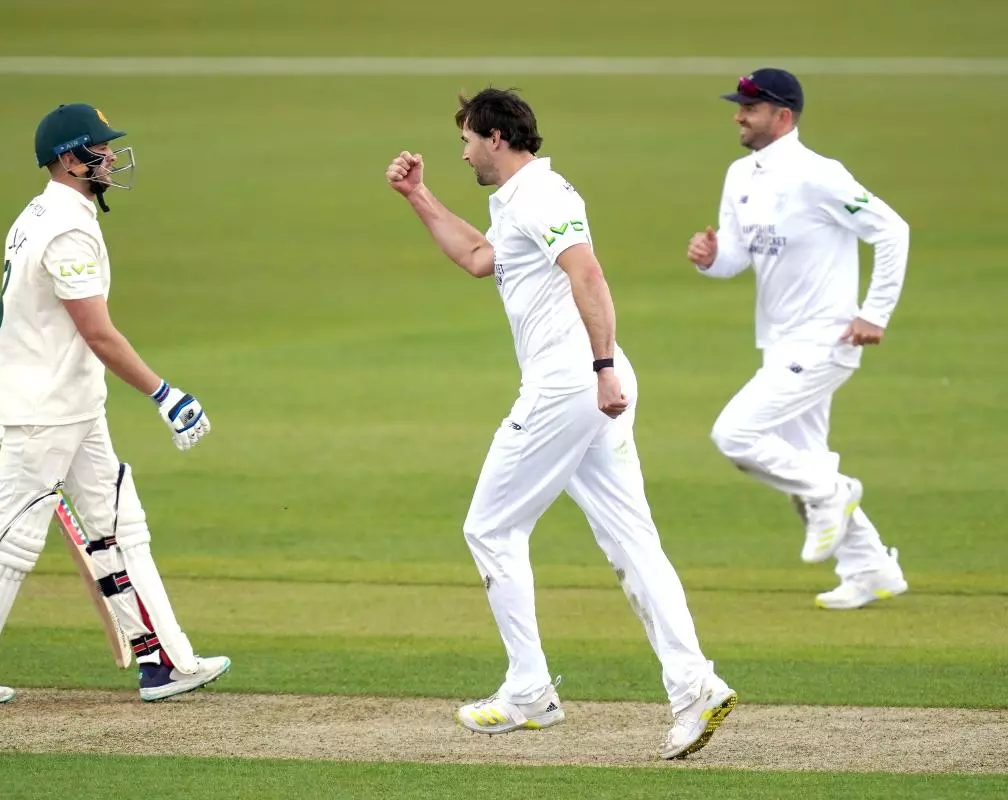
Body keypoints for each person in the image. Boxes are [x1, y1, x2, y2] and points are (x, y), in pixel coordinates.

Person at [385, 88, 736, 759]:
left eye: (466, 140)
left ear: (495, 137)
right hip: (589, 381)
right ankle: (696, 685)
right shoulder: (520, 201)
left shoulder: (542, 198)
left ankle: (529, 691)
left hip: (571, 382)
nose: (462, 152)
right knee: (631, 539)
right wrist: (418, 197)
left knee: (489, 526)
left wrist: (602, 367)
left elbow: (589, 274)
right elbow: (480, 259)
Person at [0, 103, 229, 704]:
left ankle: (164, 659)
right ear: (68, 158)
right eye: (99, 149)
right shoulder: (65, 227)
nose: (110, 157)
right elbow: (98, 332)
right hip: (44, 410)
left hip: (72, 404)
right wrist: (165, 395)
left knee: (118, 527)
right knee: (9, 541)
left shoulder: (44, 213)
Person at [687, 68, 910, 610]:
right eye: (739, 106)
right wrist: (712, 260)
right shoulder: (740, 176)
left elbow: (892, 229)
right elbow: (739, 256)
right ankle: (871, 568)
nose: (739, 115)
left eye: (751, 107)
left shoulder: (819, 176)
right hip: (780, 340)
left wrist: (874, 313)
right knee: (799, 461)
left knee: (736, 434)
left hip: (827, 338)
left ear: (783, 116)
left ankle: (835, 492)